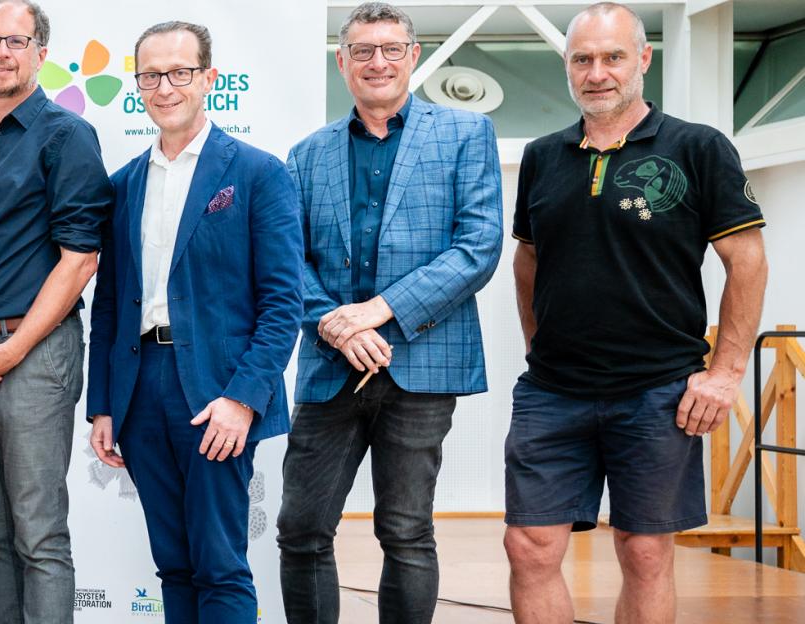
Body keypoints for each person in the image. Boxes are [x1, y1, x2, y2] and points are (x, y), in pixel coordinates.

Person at [505, 3, 767, 623]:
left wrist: (725, 372)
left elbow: (747, 262)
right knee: (528, 545)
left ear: (643, 59)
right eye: (583, 59)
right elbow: (528, 260)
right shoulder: (543, 156)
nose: (597, 72)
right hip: (553, 392)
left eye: (613, 57)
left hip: (657, 392)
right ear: (568, 67)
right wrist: (539, 344)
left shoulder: (698, 148)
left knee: (645, 551)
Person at [275, 3, 504, 623]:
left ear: (414, 57)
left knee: (404, 532)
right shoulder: (306, 154)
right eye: (363, 51)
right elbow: (288, 260)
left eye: (391, 49)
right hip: (329, 367)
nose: (378, 62)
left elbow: (478, 248)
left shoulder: (464, 134)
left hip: (422, 364)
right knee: (300, 530)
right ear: (343, 63)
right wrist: (331, 323)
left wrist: (376, 312)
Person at [86, 20, 304, 623]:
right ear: (137, 85)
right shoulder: (124, 184)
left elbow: (284, 302)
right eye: (151, 75)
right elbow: (109, 304)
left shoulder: (259, 174)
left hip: (217, 391)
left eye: (180, 72)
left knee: (220, 565)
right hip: (140, 389)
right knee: (173, 564)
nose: (165, 86)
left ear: (209, 78)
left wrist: (243, 399)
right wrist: (103, 404)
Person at [0, 1, 112, 620]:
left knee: (38, 534)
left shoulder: (66, 135)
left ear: (41, 52)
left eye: (17, 40)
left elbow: (80, 259)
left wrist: (11, 350)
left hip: (34, 355)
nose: (2, 52)